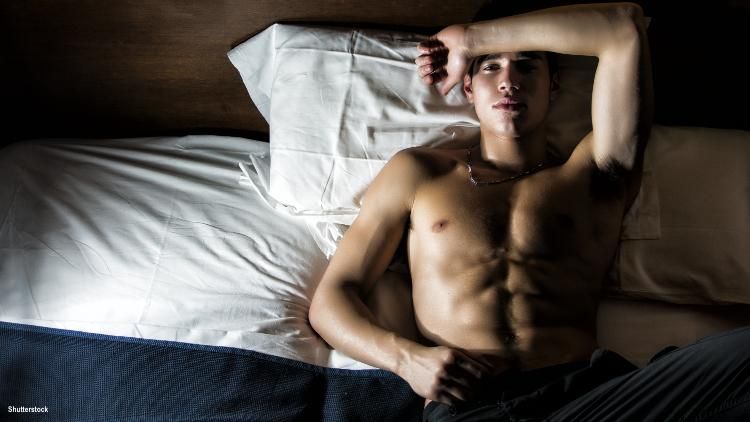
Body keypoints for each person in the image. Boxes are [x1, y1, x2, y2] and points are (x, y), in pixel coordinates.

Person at [309, 2, 750, 421]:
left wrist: (471, 40)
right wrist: (407, 360)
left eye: (527, 65)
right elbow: (332, 300)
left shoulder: (594, 173)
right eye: (490, 67)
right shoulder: (419, 173)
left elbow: (622, 27)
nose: (509, 82)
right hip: (471, 406)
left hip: (592, 397)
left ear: (553, 86)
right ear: (468, 87)